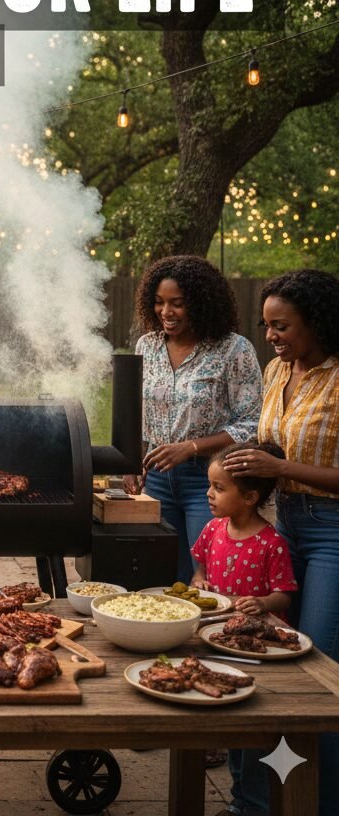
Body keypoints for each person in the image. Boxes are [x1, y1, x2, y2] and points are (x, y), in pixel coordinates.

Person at [225, 269, 339, 816]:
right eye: (267, 325)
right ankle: (257, 802)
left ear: (316, 322)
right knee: (262, 662)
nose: (270, 335)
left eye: (282, 325)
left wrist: (278, 464)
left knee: (316, 673)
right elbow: (271, 447)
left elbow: (289, 459)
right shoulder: (275, 371)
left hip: (331, 532)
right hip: (280, 523)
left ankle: (321, 802)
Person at [128, 255, 262, 582]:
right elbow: (139, 412)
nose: (166, 312)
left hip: (211, 480)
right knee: (164, 576)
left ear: (201, 303)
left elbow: (252, 422)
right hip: (157, 477)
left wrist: (190, 447)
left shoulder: (233, 349)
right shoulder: (147, 346)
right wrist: (132, 462)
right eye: (159, 303)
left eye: (177, 303)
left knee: (211, 576)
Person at [193, 442, 296, 816]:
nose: (209, 494)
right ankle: (240, 799)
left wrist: (264, 603)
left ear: (250, 497)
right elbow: (199, 568)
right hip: (220, 641)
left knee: (252, 728)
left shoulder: (271, 543)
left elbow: (284, 595)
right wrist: (200, 582)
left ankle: (252, 803)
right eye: (210, 486)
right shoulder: (212, 529)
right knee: (231, 726)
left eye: (219, 488)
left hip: (256, 651)